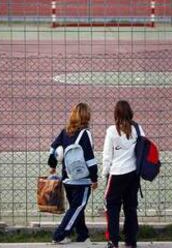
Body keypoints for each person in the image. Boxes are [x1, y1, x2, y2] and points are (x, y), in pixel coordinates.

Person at [48, 102, 98, 244]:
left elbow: (53, 149)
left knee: (76, 207)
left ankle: (83, 235)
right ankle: (60, 235)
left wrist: (52, 166)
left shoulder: (65, 131)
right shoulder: (85, 134)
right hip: (82, 180)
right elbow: (90, 160)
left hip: (67, 178)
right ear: (86, 116)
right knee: (77, 207)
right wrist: (94, 178)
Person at [102, 100, 144, 248]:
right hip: (133, 174)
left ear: (116, 114)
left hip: (117, 173)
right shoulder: (138, 130)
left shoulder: (112, 131)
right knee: (130, 207)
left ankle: (113, 241)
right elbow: (143, 149)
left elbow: (107, 155)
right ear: (130, 113)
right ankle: (131, 241)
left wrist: (104, 173)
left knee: (112, 207)